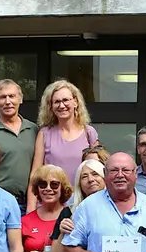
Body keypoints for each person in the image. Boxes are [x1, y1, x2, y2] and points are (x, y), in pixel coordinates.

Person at [29, 79, 98, 211]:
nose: (62, 105)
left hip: (82, 205)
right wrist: (31, 210)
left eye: (65, 100)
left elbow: (96, 172)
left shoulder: (89, 133)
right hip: (50, 207)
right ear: (50, 106)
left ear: (75, 102)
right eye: (57, 102)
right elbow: (35, 175)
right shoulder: (44, 134)